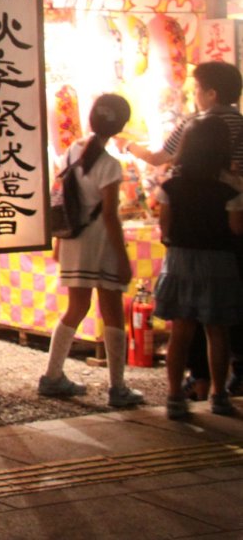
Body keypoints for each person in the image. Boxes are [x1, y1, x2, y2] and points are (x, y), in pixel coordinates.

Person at [124, 61, 243, 398]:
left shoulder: (194, 128)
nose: (193, 97)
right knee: (222, 317)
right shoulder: (239, 137)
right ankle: (226, 386)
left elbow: (160, 158)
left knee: (184, 326)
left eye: (196, 90)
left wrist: (130, 146)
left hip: (184, 254)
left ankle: (189, 386)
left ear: (211, 92)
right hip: (224, 242)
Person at [38, 94, 144, 407]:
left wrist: (59, 242)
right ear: (121, 126)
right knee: (112, 311)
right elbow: (110, 215)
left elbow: (64, 200)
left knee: (76, 307)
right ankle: (117, 387)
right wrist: (123, 258)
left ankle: (52, 375)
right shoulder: (109, 165)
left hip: (73, 241)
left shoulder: (72, 152)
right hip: (101, 243)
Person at [153, 115, 243, 419]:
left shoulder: (171, 186)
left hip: (179, 261)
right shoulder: (231, 186)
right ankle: (219, 395)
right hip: (217, 262)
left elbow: (164, 228)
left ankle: (174, 396)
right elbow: (236, 228)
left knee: (181, 331)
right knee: (218, 332)